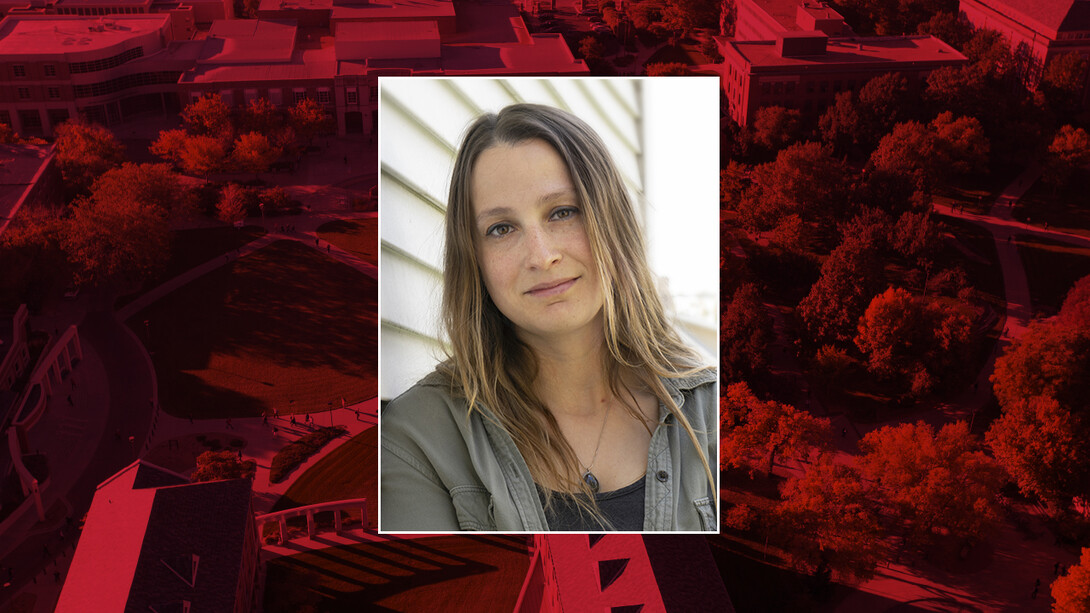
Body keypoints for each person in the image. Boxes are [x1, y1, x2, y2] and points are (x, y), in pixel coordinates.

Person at [380, 104, 717, 532]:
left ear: (610, 219)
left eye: (562, 212)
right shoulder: (417, 440)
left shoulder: (714, 414)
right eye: (502, 228)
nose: (541, 256)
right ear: (475, 261)